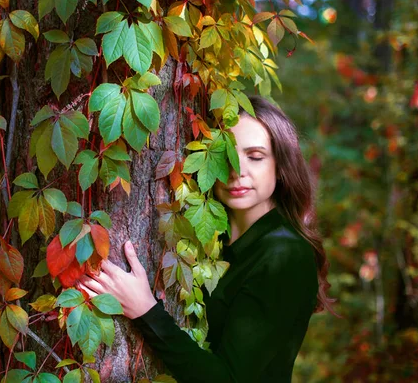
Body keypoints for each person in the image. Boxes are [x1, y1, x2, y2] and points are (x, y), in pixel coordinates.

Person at [77, 96, 338, 382]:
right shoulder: (217, 239)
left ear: (281, 167)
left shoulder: (285, 255)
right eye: (224, 155)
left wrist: (146, 311)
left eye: (255, 156)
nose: (238, 171)